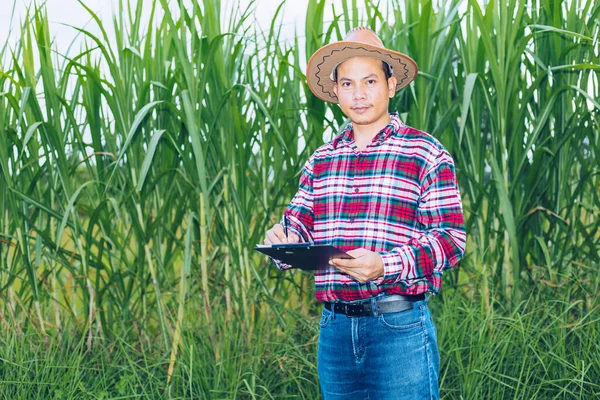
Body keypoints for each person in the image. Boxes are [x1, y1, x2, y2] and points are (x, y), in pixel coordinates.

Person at [263, 26, 466, 400]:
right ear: (336, 92)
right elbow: (298, 225)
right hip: (335, 331)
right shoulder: (322, 160)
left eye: (370, 81)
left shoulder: (425, 152)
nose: (359, 94)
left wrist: (385, 265)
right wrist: (284, 241)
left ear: (390, 86)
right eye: (348, 84)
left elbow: (450, 240)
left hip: (399, 326)